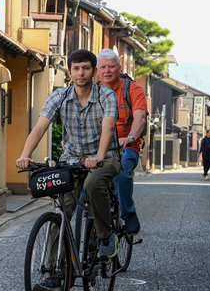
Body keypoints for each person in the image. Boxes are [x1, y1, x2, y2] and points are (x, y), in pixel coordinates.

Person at [16, 49, 121, 264]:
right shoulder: (59, 96)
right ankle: (54, 269)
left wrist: (99, 157)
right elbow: (39, 128)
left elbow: (109, 128)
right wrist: (25, 155)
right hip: (72, 158)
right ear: (70, 72)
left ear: (94, 72)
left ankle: (105, 235)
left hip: (106, 156)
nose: (80, 73)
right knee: (61, 209)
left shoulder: (106, 96)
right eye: (76, 68)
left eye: (85, 68)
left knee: (93, 184)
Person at [96, 49, 147, 236]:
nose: (107, 70)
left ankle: (128, 213)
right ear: (97, 70)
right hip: (97, 146)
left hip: (126, 146)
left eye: (111, 66)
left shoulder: (132, 89)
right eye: (103, 67)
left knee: (121, 173)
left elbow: (140, 117)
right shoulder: (93, 91)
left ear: (119, 68)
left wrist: (131, 137)